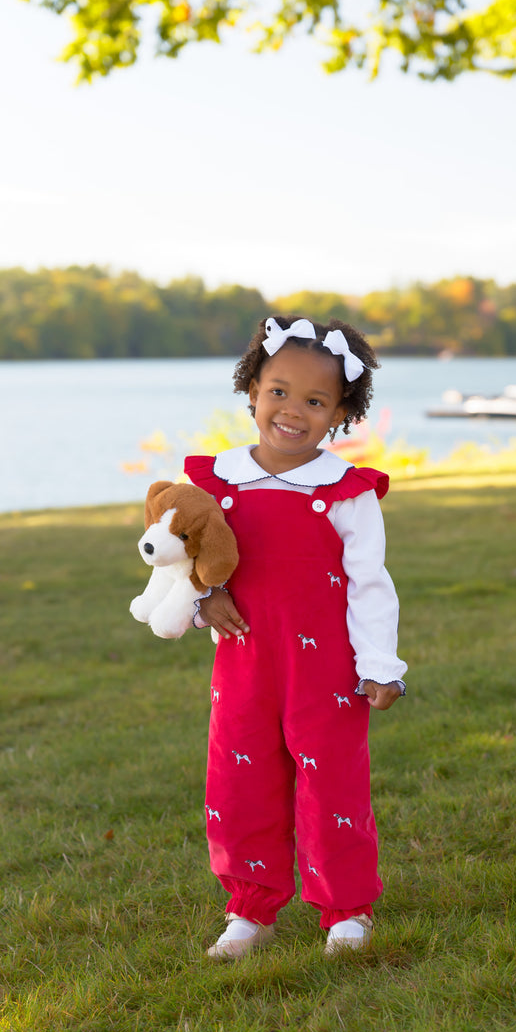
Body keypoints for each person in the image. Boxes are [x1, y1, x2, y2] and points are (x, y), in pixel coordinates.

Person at [184, 314, 407, 960]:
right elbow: (180, 555)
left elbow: (370, 583)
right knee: (239, 780)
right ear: (252, 388)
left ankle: (347, 910)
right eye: (279, 391)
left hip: (328, 672)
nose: (292, 410)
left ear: (340, 413)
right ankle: (250, 908)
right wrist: (205, 596)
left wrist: (379, 663)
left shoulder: (346, 491)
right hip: (245, 664)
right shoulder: (215, 482)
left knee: (332, 783)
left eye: (315, 401)